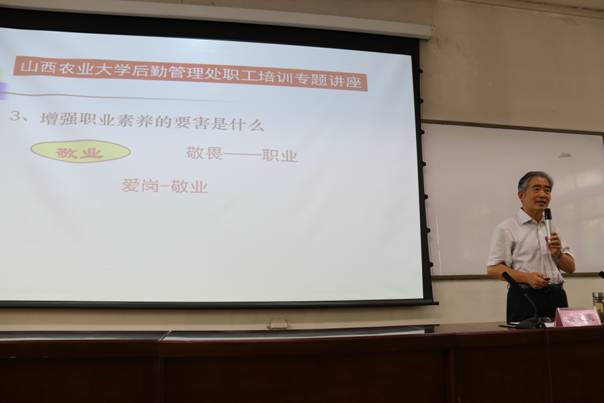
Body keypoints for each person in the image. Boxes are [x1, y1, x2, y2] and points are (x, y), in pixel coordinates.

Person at [487, 171, 575, 323]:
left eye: (547, 190)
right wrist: (526, 277)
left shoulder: (552, 228)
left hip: (557, 296)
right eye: (536, 189)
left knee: (561, 339)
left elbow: (571, 268)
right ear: (521, 195)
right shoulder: (507, 228)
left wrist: (558, 254)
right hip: (525, 298)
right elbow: (493, 269)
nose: (543, 194)